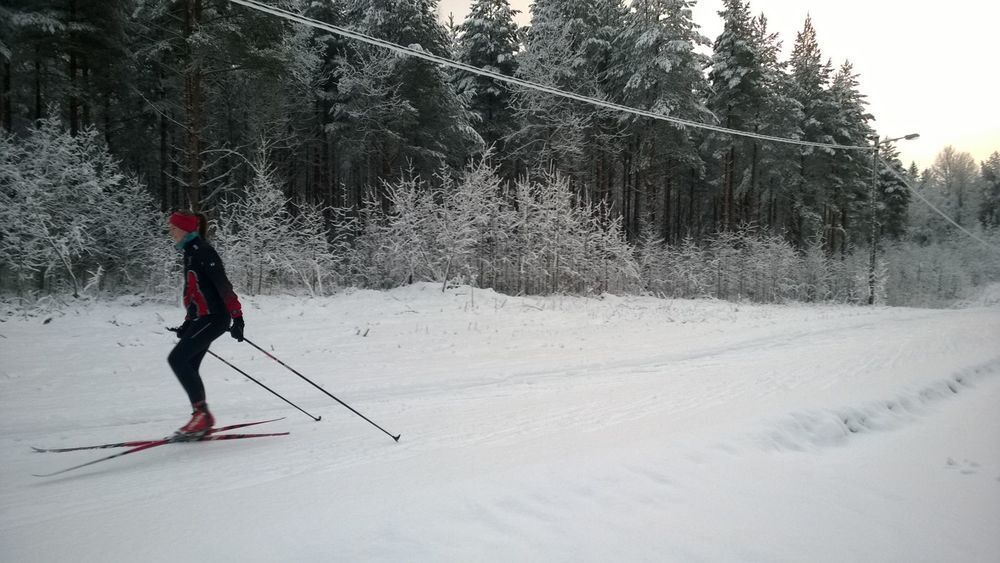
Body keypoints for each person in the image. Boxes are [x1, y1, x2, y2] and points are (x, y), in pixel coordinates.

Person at [166, 211, 245, 439]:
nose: (171, 232)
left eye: (173, 228)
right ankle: (201, 416)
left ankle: (202, 416)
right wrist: (188, 322)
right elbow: (193, 291)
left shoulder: (203, 251)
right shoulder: (190, 252)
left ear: (184, 229)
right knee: (187, 362)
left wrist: (237, 317)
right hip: (203, 317)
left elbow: (222, 285)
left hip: (215, 317)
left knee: (178, 359)